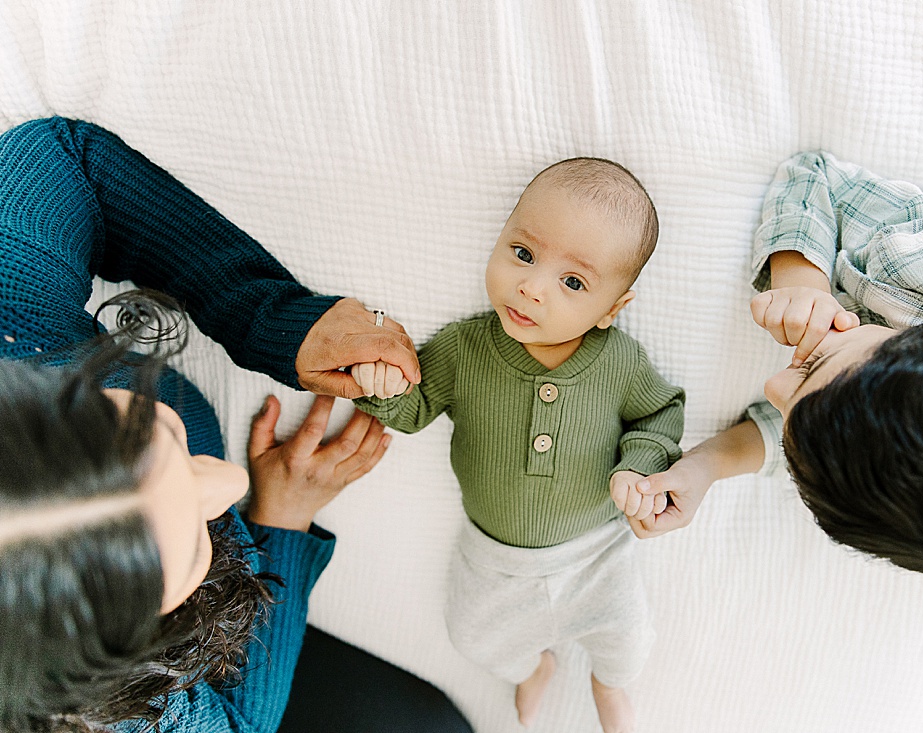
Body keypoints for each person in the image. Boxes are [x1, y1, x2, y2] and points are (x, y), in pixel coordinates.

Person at [0, 117, 471, 733]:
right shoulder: (120, 717)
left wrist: (275, 321)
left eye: (155, 430)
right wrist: (281, 518)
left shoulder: (15, 321)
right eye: (193, 543)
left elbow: (63, 162)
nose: (226, 482)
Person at [629, 151, 923, 586]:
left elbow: (818, 428)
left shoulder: (915, 394)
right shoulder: (913, 264)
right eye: (813, 365)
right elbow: (816, 175)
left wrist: (704, 466)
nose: (774, 385)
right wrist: (802, 282)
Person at [351, 158, 684, 733]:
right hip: (493, 559)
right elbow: (411, 410)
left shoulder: (618, 362)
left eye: (572, 283)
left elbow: (662, 412)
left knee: (630, 639)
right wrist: (379, 384)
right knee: (473, 639)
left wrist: (640, 467)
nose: (531, 287)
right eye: (523, 254)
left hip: (595, 551)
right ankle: (533, 670)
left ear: (610, 310)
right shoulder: (463, 349)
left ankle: (610, 687)